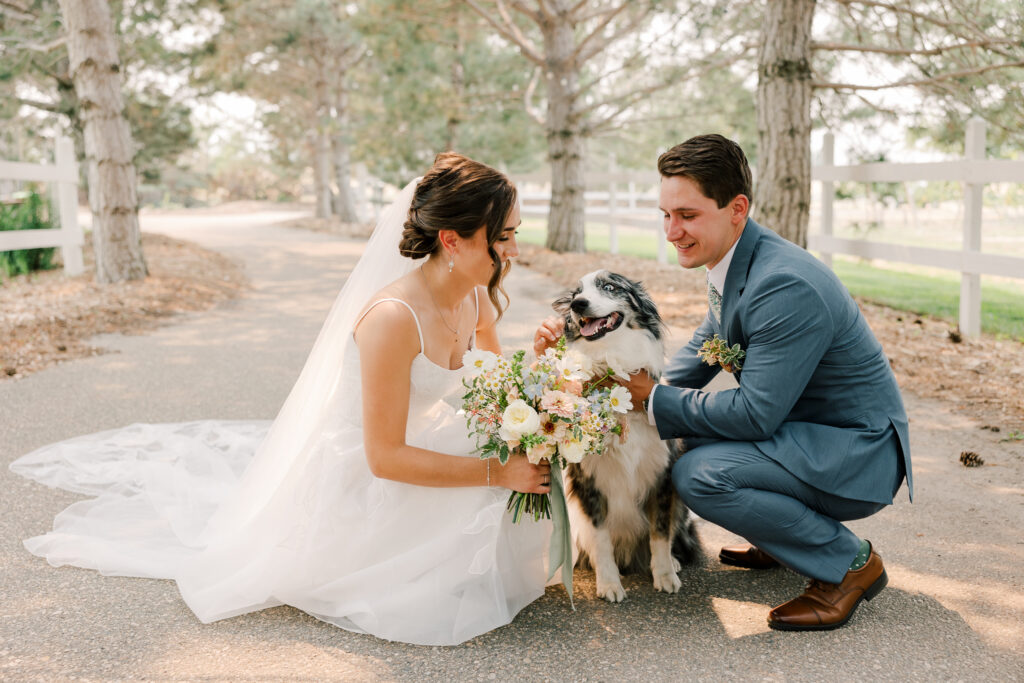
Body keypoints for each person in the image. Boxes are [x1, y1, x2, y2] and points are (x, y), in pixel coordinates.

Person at [11, 153, 552, 646]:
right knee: (478, 511)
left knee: (510, 464)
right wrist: (495, 473)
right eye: (501, 237)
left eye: (514, 234)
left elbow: (495, 390)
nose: (513, 250)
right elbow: (384, 457)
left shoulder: (476, 295)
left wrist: (542, 371)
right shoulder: (393, 318)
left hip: (426, 438)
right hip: (368, 476)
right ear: (453, 240)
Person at [536, 134, 913, 631]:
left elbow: (756, 414)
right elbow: (692, 361)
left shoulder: (783, 285)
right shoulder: (738, 263)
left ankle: (848, 565)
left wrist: (651, 400)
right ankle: (781, 538)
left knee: (697, 473)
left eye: (687, 215)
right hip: (810, 434)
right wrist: (597, 385)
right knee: (670, 432)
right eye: (666, 215)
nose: (673, 231)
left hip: (854, 455)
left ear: (737, 208)